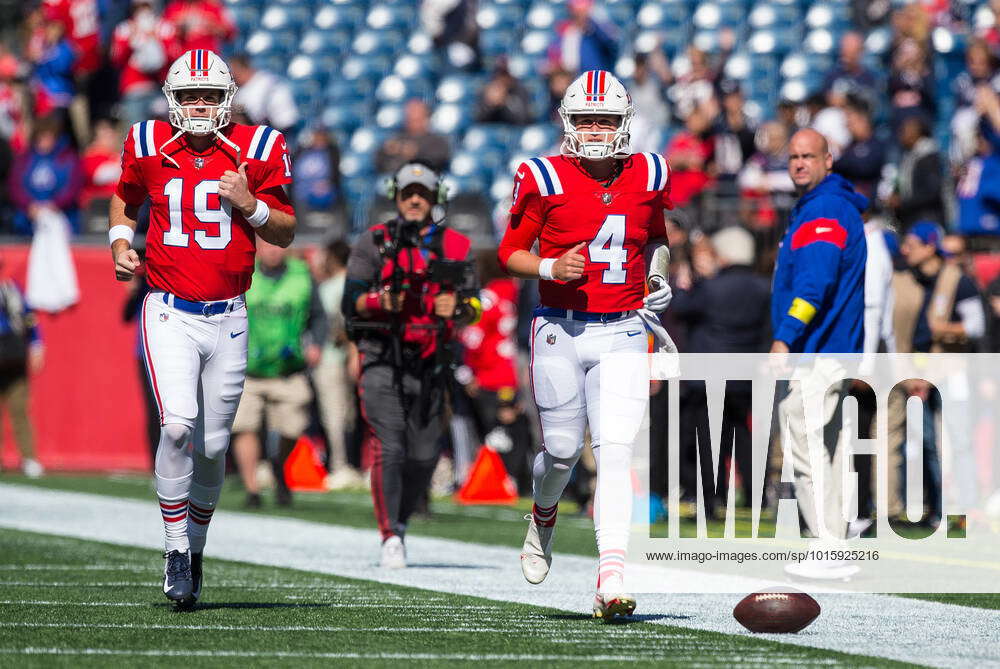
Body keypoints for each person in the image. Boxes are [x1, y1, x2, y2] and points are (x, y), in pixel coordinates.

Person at [109, 49, 295, 609]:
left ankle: (195, 548)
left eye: (209, 95)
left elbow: (285, 230)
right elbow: (125, 197)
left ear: (227, 99)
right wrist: (120, 242)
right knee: (176, 427)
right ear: (171, 99)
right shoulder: (145, 143)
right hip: (168, 308)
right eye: (189, 95)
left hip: (231, 314)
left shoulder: (259, 147)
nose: (198, 105)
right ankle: (172, 549)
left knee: (213, 446)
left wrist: (250, 206)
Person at [497, 70, 674, 619]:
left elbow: (657, 235)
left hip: (623, 328)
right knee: (565, 451)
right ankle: (543, 514)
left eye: (606, 120)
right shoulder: (542, 176)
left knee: (616, 452)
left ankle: (612, 575)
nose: (596, 130)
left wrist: (658, 274)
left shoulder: (648, 172)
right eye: (586, 120)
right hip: (559, 328)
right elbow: (509, 252)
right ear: (567, 123)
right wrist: (551, 265)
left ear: (625, 122)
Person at [342, 162, 480, 569]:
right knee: (390, 445)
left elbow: (474, 304)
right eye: (407, 193)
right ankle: (388, 537)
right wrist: (377, 302)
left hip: (431, 359)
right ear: (396, 197)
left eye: (423, 192)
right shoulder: (375, 241)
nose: (415, 199)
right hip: (383, 354)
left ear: (435, 196)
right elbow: (349, 301)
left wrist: (456, 308)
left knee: (423, 454)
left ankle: (400, 523)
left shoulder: (456, 245)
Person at [771, 129, 867, 579]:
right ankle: (837, 542)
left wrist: (786, 336)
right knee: (831, 446)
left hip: (819, 351)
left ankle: (827, 546)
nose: (799, 163)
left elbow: (815, 284)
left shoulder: (825, 209)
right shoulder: (823, 206)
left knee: (806, 444)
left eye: (808, 156)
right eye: (793, 156)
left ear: (829, 159)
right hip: (834, 349)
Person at [231, 240, 328, 508]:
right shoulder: (243, 272)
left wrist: (317, 343)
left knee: (293, 428)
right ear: (258, 247)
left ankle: (278, 464)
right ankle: (252, 489)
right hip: (249, 368)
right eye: (267, 244)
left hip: (289, 368)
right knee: (244, 427)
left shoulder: (302, 274)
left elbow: (320, 315)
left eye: (277, 245)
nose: (273, 250)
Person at [314, 238, 361, 490]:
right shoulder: (353, 286)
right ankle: (350, 464)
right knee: (349, 415)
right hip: (348, 357)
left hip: (331, 358)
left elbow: (341, 327)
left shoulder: (330, 287)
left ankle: (339, 465)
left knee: (333, 415)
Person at [0, 263, 44, 478]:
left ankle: (29, 458)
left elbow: (29, 319)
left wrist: (36, 344)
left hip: (14, 358)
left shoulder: (10, 289)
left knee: (19, 410)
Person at [374, 99, 451, 174]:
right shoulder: (397, 138)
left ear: (426, 117)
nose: (412, 118)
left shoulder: (437, 141)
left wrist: (415, 153)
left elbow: (438, 160)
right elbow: (380, 161)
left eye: (417, 116)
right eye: (410, 115)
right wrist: (389, 151)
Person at [230, 55, 300, 136]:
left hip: (284, 128)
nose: (233, 75)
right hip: (262, 131)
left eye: (235, 70)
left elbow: (286, 115)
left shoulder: (267, 80)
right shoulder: (240, 92)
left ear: (243, 68)